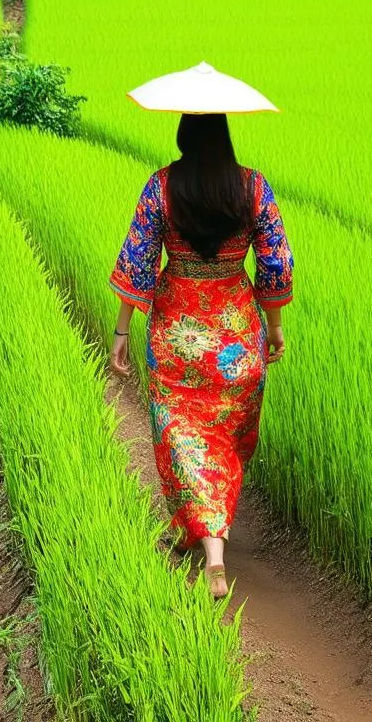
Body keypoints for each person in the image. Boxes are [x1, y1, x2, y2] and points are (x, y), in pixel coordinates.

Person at [108, 113, 293, 598]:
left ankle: (209, 549)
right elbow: (276, 263)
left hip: (176, 334)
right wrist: (274, 330)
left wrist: (122, 329)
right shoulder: (252, 188)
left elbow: (138, 258)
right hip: (236, 337)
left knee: (182, 433)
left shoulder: (161, 188)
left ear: (183, 136)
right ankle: (205, 538)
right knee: (224, 438)